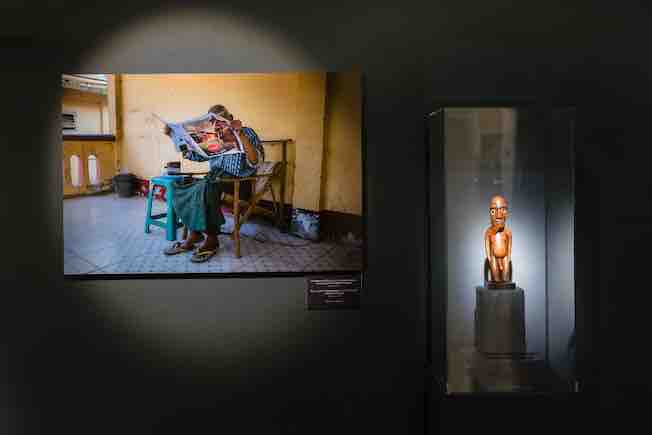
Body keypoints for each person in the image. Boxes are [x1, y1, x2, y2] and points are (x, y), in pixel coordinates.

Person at [163, 104, 264, 262]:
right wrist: (177, 139)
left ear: (229, 119)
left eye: (220, 122)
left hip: (238, 182)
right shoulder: (212, 136)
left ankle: (211, 239)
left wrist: (240, 135)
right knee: (183, 184)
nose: (217, 127)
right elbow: (198, 156)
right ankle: (195, 233)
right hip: (215, 177)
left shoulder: (247, 132)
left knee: (207, 186)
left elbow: (256, 161)